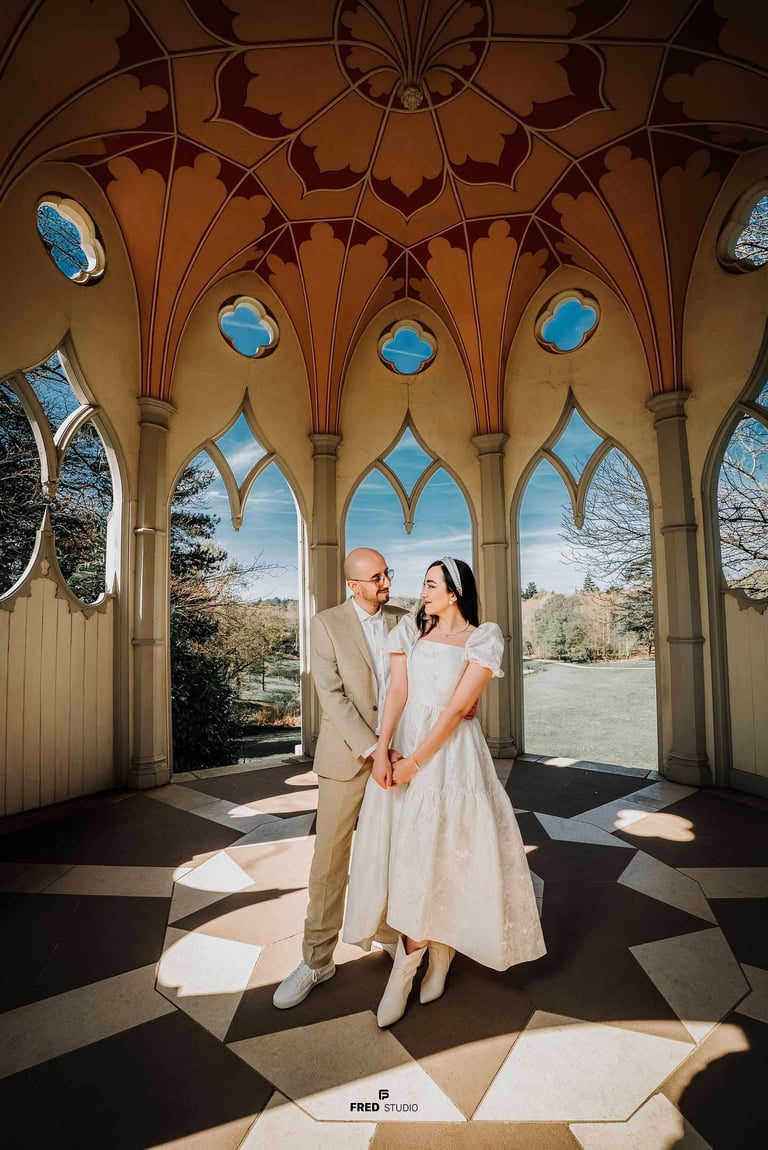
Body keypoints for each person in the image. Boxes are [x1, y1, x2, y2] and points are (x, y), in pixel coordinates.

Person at [343, 556, 546, 1027]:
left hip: (451, 758)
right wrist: (384, 752)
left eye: (432, 584)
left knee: (446, 853)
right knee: (411, 855)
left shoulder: (484, 636)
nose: (423, 591)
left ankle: (433, 958)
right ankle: (416, 961)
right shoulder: (409, 631)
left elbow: (458, 709)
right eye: (424, 584)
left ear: (454, 592)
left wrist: (417, 763)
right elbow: (396, 693)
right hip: (405, 745)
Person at [272, 548, 407, 1009]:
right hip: (347, 759)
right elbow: (331, 695)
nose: (385, 582)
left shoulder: (404, 619)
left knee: (392, 851)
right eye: (375, 577)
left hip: (401, 756)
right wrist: (374, 750)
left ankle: (390, 934)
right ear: (353, 585)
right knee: (329, 861)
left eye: (387, 573)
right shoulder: (327, 624)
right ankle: (316, 960)